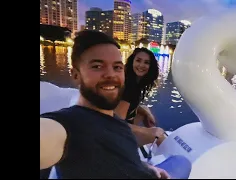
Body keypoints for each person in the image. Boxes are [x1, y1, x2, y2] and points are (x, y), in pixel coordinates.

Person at [40, 30, 191, 179]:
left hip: (143, 170)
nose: (111, 74)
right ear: (75, 75)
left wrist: (144, 167)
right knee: (183, 162)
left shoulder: (113, 121)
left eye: (117, 67)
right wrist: (152, 133)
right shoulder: (69, 125)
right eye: (97, 66)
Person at [115, 48, 166, 146]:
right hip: (117, 133)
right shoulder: (129, 86)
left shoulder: (134, 82)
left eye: (146, 62)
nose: (141, 65)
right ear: (132, 61)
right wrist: (149, 132)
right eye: (138, 60)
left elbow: (128, 105)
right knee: (159, 137)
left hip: (122, 126)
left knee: (145, 110)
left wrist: (146, 113)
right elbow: (117, 123)